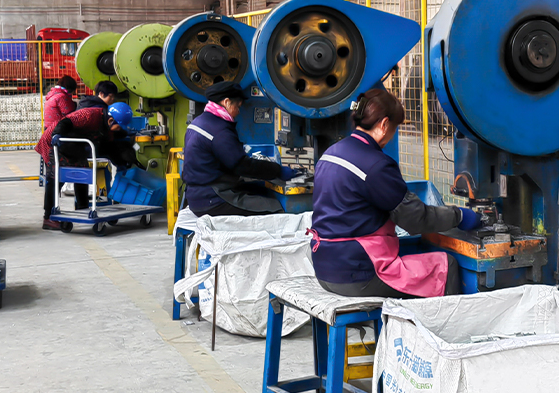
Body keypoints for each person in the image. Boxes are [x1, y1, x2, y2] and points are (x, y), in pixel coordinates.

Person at [308, 88, 482, 298]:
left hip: (324, 267)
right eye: (394, 128)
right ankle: (444, 321)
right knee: (445, 266)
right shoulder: (376, 165)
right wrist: (460, 216)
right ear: (384, 125)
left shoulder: (330, 154)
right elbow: (416, 219)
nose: (391, 136)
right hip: (358, 274)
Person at [182, 81, 302, 217]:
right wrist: (278, 171)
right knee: (273, 207)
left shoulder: (199, 122)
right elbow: (241, 165)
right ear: (227, 102)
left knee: (260, 190)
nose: (238, 112)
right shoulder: (219, 131)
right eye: (238, 106)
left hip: (197, 195)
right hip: (212, 199)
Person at [35, 102, 135, 230]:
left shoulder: (107, 126)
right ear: (111, 120)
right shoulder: (89, 115)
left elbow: (108, 147)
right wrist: (57, 134)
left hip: (75, 144)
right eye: (119, 127)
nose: (119, 129)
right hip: (55, 141)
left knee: (82, 174)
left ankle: (82, 208)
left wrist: (120, 163)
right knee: (55, 179)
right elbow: (66, 122)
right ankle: (48, 218)